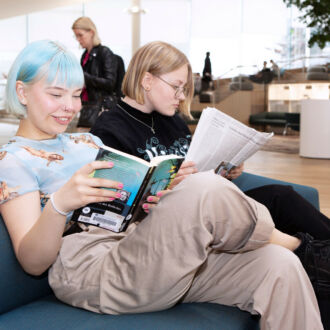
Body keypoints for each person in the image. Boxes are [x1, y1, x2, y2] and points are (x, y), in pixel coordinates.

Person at [0, 40, 324, 330]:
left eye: (75, 95)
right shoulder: (11, 160)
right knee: (203, 188)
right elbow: (33, 262)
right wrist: (59, 204)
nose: (70, 107)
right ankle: (309, 250)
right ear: (22, 92)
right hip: (89, 270)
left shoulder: (86, 140)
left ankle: (299, 253)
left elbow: (126, 210)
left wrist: (158, 193)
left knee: (277, 266)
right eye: (56, 94)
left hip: (138, 247)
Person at [90, 41, 329, 327]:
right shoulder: (109, 129)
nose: (181, 96)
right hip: (160, 224)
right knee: (285, 223)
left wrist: (225, 168)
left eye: (185, 89)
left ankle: (320, 258)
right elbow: (116, 206)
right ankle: (314, 256)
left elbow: (198, 166)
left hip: (208, 205)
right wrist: (168, 185)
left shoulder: (173, 121)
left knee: (282, 195)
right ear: (147, 80)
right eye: (177, 87)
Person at [72, 16, 119, 130]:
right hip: (87, 108)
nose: (78, 39)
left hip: (100, 109)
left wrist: (84, 76)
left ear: (91, 32)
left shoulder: (104, 52)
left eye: (80, 35)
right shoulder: (84, 56)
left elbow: (110, 82)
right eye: (76, 36)